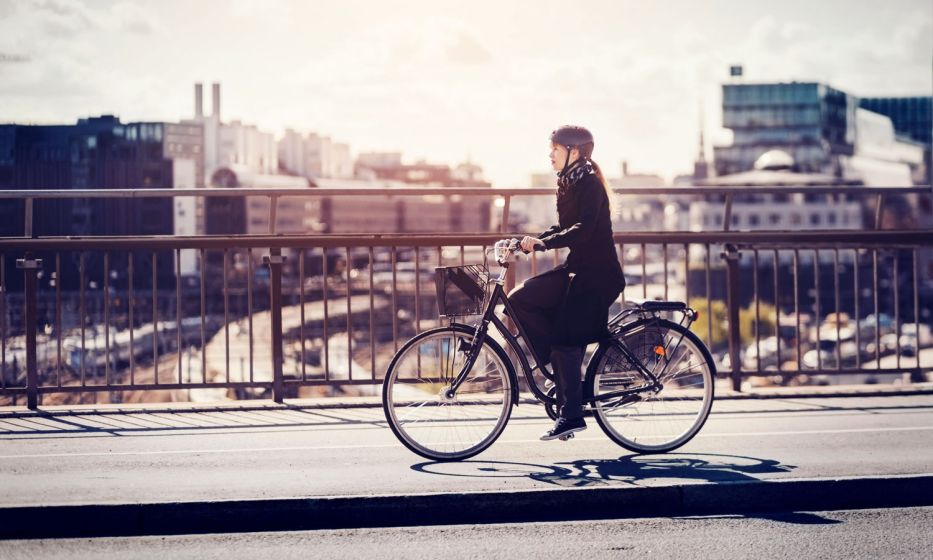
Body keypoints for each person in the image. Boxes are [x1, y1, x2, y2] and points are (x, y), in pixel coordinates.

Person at [508, 125, 626, 441]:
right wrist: (529, 240)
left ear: (574, 152)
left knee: (567, 339)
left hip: (597, 277)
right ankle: (562, 377)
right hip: (577, 270)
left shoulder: (589, 185)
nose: (550, 155)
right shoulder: (569, 183)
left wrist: (544, 244)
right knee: (521, 299)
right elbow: (564, 227)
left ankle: (571, 415)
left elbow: (582, 230)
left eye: (555, 150)